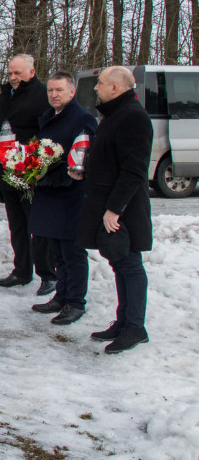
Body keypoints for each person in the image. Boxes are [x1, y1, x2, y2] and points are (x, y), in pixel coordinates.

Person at [73, 66, 154, 354]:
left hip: (124, 210)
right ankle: (123, 322)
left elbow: (134, 171)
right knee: (119, 262)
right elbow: (111, 158)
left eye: (101, 83)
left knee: (130, 265)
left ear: (116, 88)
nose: (96, 88)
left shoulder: (133, 118)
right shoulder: (115, 115)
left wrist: (114, 209)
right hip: (109, 204)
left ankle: (135, 328)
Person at [26, 71, 99, 325]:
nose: (53, 95)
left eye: (59, 90)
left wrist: (56, 177)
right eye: (50, 91)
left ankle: (76, 302)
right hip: (49, 192)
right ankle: (61, 296)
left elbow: (84, 159)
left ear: (72, 91)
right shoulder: (49, 117)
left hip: (71, 195)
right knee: (56, 250)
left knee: (73, 252)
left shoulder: (83, 119)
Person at [0, 54, 57, 293]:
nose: (13, 77)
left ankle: (48, 274)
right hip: (6, 171)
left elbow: (49, 136)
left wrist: (37, 167)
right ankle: (21, 271)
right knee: (16, 225)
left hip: (29, 173)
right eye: (10, 73)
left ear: (32, 72)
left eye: (18, 73)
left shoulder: (42, 96)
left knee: (37, 225)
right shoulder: (6, 94)